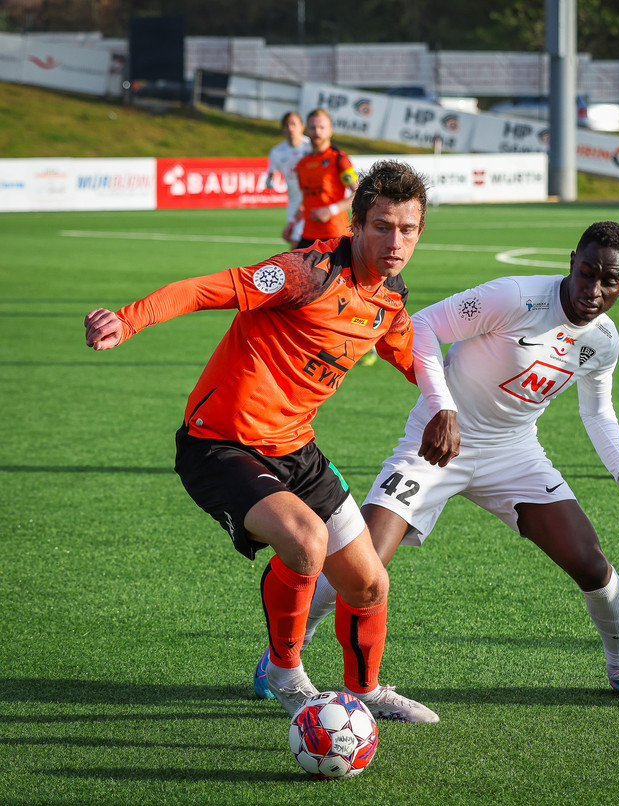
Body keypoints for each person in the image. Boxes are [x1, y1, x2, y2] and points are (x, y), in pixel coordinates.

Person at [258, 221, 619, 701]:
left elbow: (597, 410)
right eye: (587, 272)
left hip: (515, 453)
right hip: (438, 443)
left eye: (610, 282)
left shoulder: (603, 339)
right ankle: (282, 657)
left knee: (590, 562)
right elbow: (422, 325)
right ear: (572, 262)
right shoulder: (515, 296)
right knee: (361, 563)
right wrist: (443, 407)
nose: (594, 289)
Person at [83, 160, 439, 723]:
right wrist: (127, 320)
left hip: (297, 449)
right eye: (381, 227)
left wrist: (460, 399)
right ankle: (285, 672)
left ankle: (366, 690)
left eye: (407, 229)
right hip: (219, 444)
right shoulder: (306, 272)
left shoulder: (389, 298)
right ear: (355, 226)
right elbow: (205, 290)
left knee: (370, 584)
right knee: (305, 541)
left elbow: (411, 357)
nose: (395, 242)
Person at [291, 108, 359, 250]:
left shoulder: (339, 159)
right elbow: (307, 197)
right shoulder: (302, 164)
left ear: (330, 131)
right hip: (308, 235)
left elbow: (358, 193)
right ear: (306, 130)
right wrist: (292, 223)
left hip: (335, 236)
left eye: (322, 127)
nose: (317, 131)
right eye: (313, 127)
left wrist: (330, 210)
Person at [264, 111, 313, 245]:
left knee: (297, 245)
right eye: (286, 125)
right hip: (294, 203)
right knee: (297, 246)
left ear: (302, 126)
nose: (290, 128)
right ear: (283, 129)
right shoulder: (277, 151)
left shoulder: (311, 147)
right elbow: (269, 182)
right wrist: (271, 179)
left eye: (293, 124)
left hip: (312, 201)